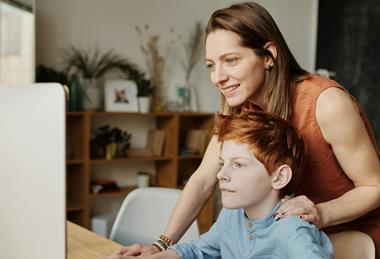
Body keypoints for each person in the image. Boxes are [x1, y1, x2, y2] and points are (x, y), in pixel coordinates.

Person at [110, 1, 380, 257]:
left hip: (350, 235)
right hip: (285, 235)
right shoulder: (238, 107)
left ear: (268, 56)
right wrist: (161, 245)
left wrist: (320, 213)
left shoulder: (327, 104)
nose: (217, 77)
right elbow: (204, 178)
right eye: (211, 65)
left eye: (230, 60)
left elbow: (374, 186)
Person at [101, 111, 334, 259]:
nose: (221, 174)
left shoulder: (292, 229)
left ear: (279, 177)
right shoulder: (230, 217)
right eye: (222, 163)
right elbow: (200, 250)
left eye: (238, 165)